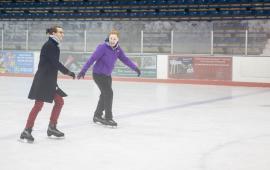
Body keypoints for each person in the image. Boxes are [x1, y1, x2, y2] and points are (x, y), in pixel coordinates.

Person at [20, 26, 75, 142]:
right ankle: (27, 130)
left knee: (59, 101)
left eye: (63, 32)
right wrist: (68, 72)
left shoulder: (53, 46)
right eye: (60, 32)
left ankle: (52, 127)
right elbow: (55, 63)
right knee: (38, 105)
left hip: (49, 80)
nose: (62, 34)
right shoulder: (50, 46)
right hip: (43, 80)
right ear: (53, 33)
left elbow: (53, 64)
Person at [77, 29, 141, 126]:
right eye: (111, 38)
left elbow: (125, 59)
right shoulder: (103, 47)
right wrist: (83, 70)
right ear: (108, 38)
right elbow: (92, 58)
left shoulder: (118, 49)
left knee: (104, 95)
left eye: (114, 39)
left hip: (107, 75)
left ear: (117, 40)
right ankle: (108, 118)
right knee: (109, 93)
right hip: (98, 74)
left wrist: (135, 68)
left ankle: (97, 115)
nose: (112, 40)